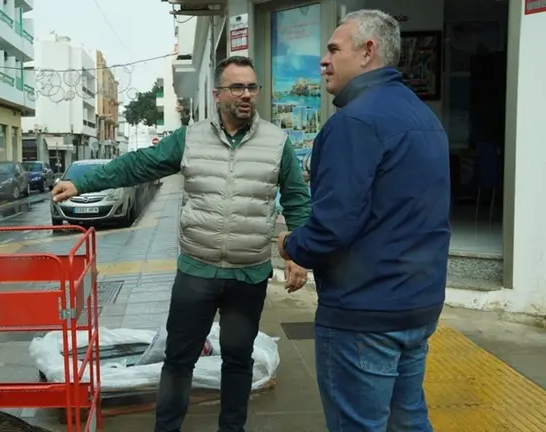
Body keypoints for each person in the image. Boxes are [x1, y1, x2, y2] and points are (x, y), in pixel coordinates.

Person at [52, 56, 310, 432]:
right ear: (217, 94)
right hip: (196, 274)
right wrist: (83, 182)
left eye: (251, 87)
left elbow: (297, 199)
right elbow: (140, 164)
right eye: (236, 87)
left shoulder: (276, 142)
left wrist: (298, 255)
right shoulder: (190, 139)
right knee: (178, 360)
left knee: (238, 361)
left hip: (248, 276)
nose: (246, 95)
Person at [277, 10, 451, 431]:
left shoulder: (353, 122)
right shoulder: (423, 117)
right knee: (408, 421)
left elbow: (331, 227)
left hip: (364, 313)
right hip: (417, 306)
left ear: (368, 51)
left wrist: (290, 244)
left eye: (334, 49)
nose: (323, 61)